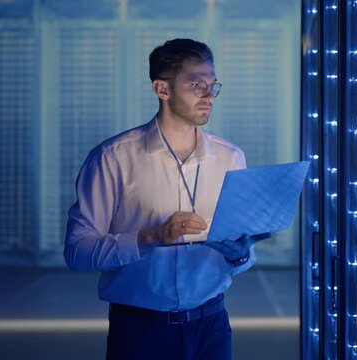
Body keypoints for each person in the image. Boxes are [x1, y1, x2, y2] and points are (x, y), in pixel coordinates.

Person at [64, 38, 267, 360]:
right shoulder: (113, 158)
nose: (208, 96)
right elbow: (77, 251)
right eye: (196, 85)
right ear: (163, 89)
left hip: (211, 326)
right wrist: (151, 237)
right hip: (139, 330)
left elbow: (243, 255)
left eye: (213, 85)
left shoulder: (231, 157)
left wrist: (241, 254)